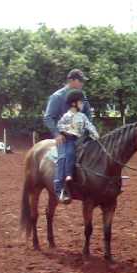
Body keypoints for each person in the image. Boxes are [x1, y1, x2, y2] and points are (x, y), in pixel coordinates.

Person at [44, 69, 92, 202]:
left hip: (81, 135)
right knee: (64, 157)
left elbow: (88, 115)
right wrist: (57, 134)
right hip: (64, 137)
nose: (82, 83)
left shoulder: (82, 96)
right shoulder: (57, 97)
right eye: (80, 81)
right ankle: (60, 189)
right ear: (71, 81)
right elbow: (48, 117)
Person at [55, 90, 99, 203]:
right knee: (69, 154)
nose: (83, 104)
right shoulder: (66, 116)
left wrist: (96, 136)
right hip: (70, 140)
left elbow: (90, 126)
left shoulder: (82, 116)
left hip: (81, 140)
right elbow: (59, 126)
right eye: (81, 102)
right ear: (74, 103)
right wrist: (68, 131)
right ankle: (67, 177)